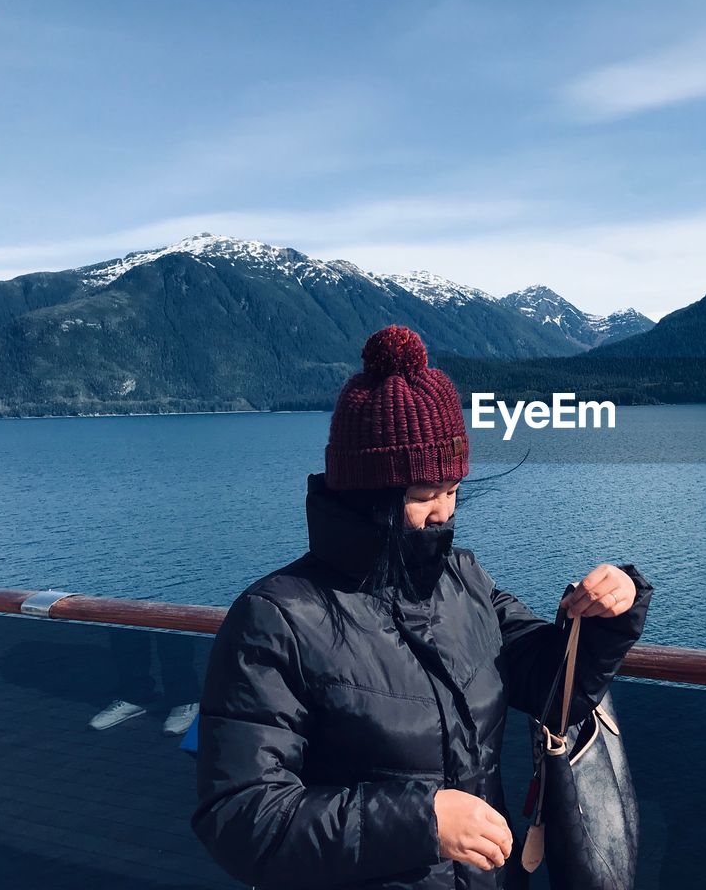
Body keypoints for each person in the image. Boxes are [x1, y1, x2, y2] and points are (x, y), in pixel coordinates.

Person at [191, 325, 652, 890]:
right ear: (367, 496)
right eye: (421, 495)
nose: (443, 513)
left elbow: (552, 684)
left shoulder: (465, 581)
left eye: (452, 489)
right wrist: (419, 822)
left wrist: (608, 617)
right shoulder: (276, 619)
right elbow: (241, 817)